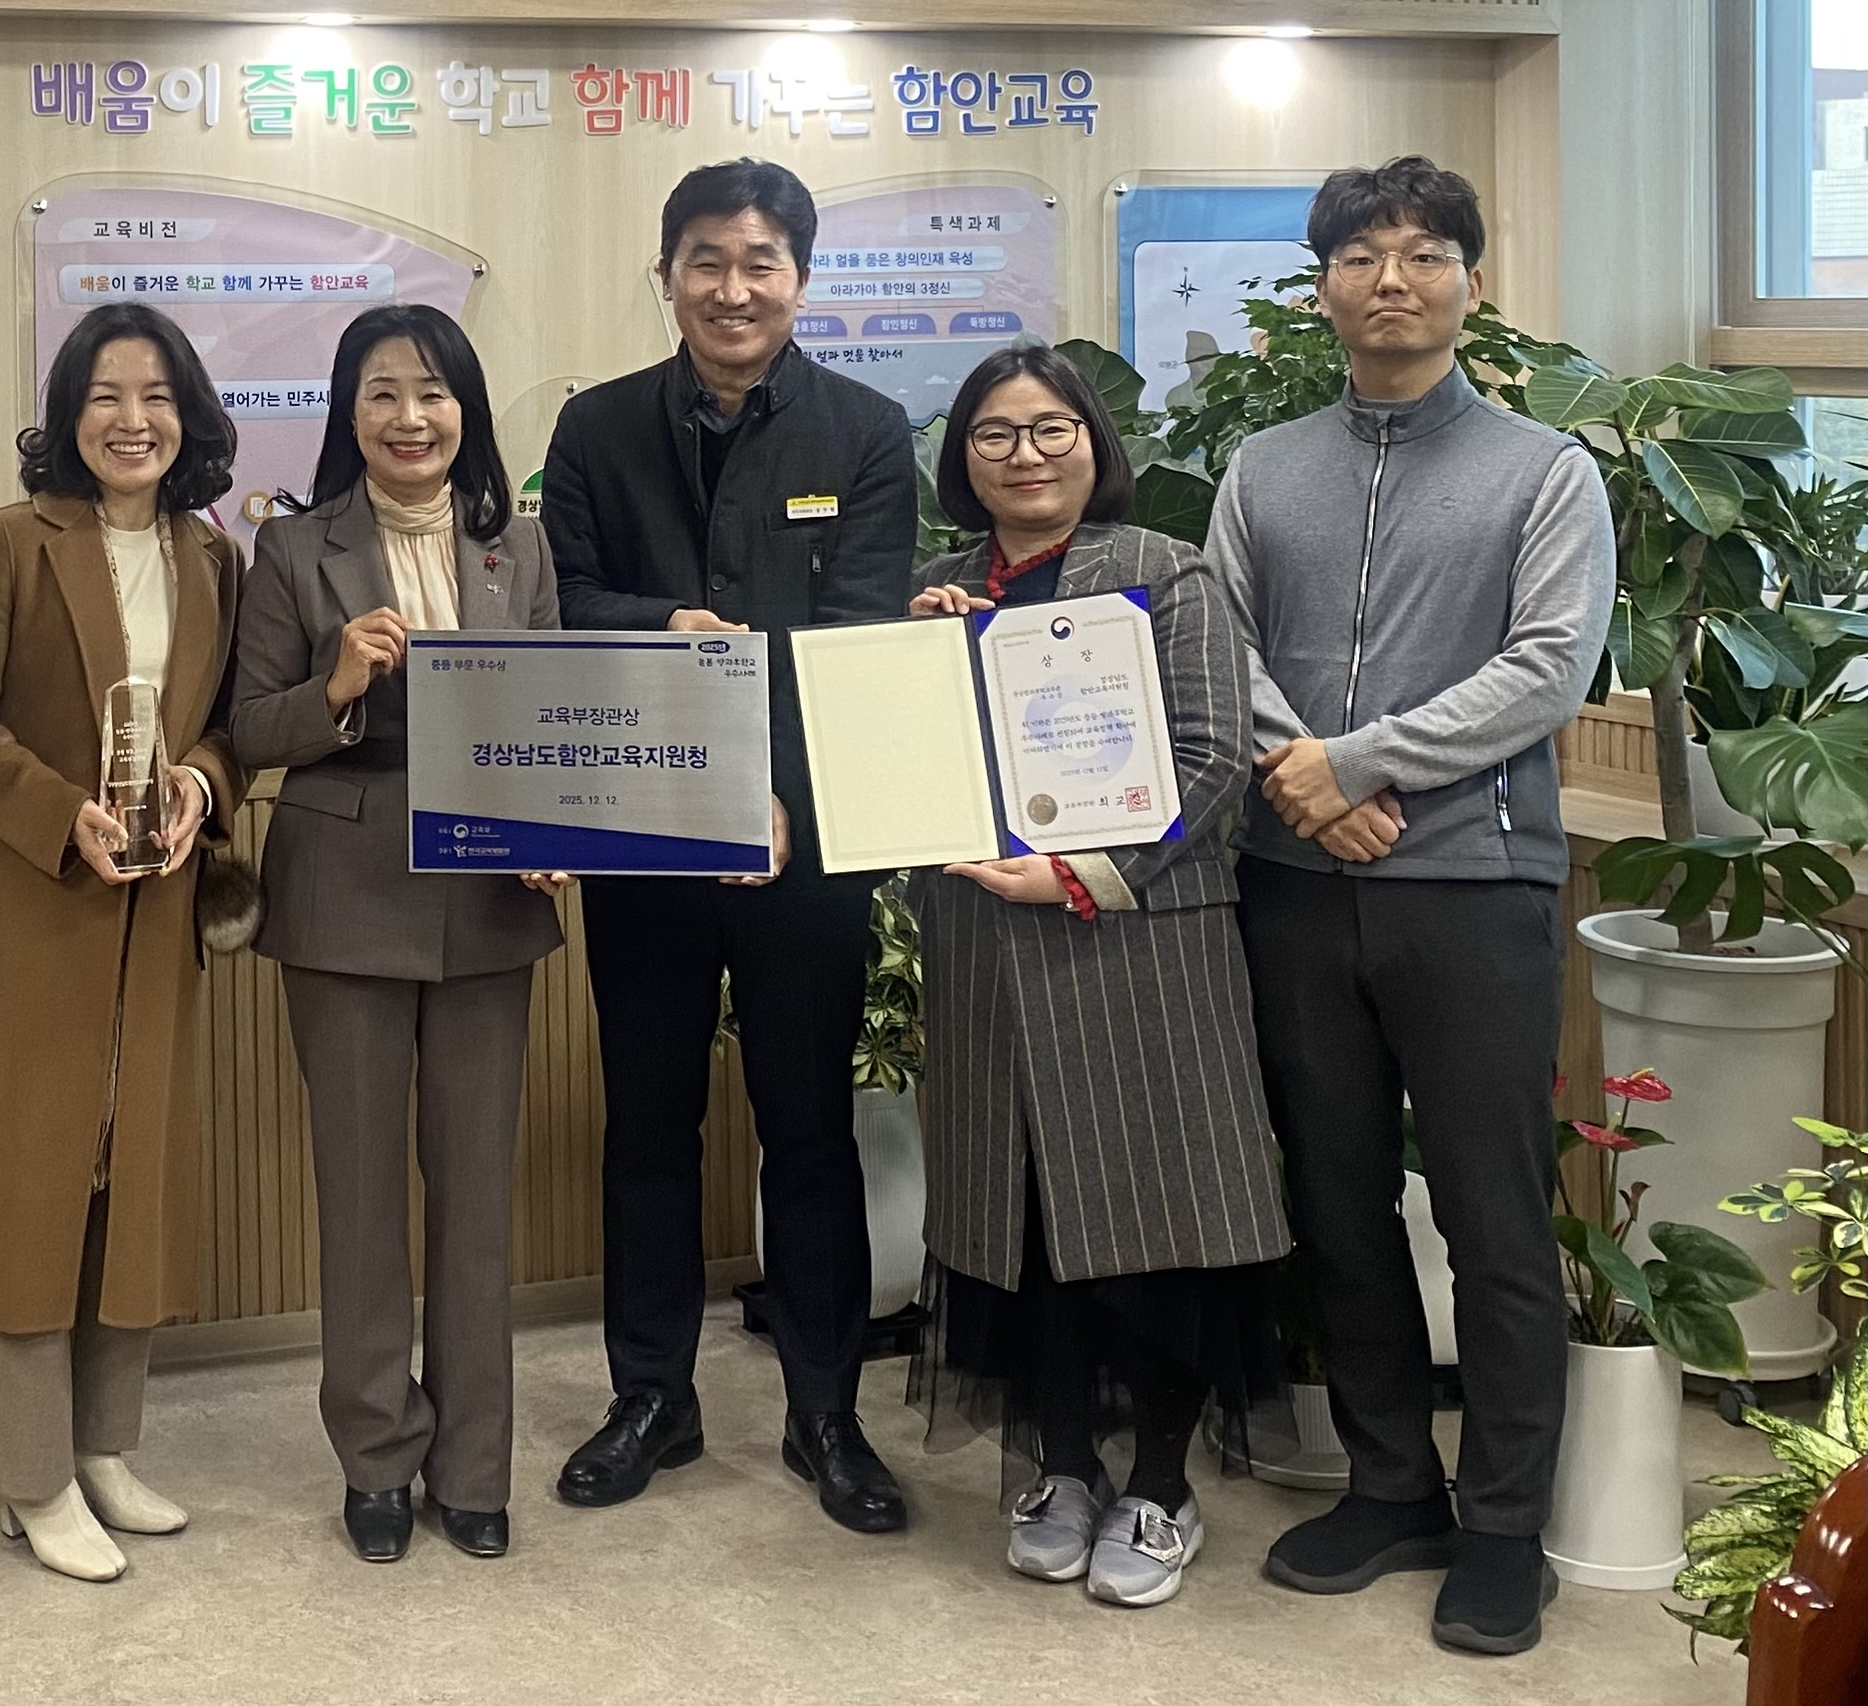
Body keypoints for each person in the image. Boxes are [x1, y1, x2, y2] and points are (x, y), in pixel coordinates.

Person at [1205, 157, 1613, 1658]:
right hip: (1294, 886)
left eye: (1423, 251)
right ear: (1319, 286)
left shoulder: (1543, 470)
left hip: (1473, 885)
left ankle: (1502, 1526)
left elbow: (1544, 668)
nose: (1392, 276)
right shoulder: (1260, 466)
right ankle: (1391, 1483)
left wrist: (1351, 762)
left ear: (1468, 281)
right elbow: (1222, 640)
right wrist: (1298, 784)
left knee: (1494, 1211)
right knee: (1333, 1195)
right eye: (1362, 254)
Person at [535, 157, 918, 1534]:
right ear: (665, 275)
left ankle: (825, 1410)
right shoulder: (591, 429)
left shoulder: (866, 434)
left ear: (797, 278)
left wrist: (772, 792)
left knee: (809, 1129)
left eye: (758, 260)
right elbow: (563, 598)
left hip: (799, 844)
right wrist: (654, 631)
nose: (731, 285)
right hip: (642, 834)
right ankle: (652, 1394)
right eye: (705, 258)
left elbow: (859, 639)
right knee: (643, 1123)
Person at [900, 341, 1292, 1612]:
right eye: (997, 433)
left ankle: (1162, 1486)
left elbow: (1215, 755)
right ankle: (1062, 1466)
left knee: (1157, 1228)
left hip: (1141, 944)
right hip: (986, 951)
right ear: (964, 460)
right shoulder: (936, 591)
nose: (1026, 453)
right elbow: (908, 772)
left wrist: (1084, 874)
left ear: (1093, 444)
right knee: (1024, 1227)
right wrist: (921, 673)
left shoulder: (1165, 575)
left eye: (1052, 428)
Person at [0, 302, 241, 1585]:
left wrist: (205, 779)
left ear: (188, 415)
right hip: (22, 912)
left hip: (152, 915)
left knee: (127, 1181)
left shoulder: (213, 558)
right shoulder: (4, 541)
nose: (131, 419)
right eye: (105, 394)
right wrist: (64, 816)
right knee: (32, 1187)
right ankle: (27, 1475)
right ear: (69, 412)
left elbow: (221, 727)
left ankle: (102, 1447)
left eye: (154, 395)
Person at [232, 303, 567, 1567]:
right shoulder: (292, 548)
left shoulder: (514, 548)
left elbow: (548, 719)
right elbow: (253, 727)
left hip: (492, 898)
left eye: (432, 393)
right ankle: (377, 1458)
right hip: (344, 894)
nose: (410, 418)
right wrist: (334, 685)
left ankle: (476, 1465)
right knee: (360, 1198)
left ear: (466, 409)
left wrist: (553, 825)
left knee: (478, 1201)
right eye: (382, 394)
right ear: (347, 413)